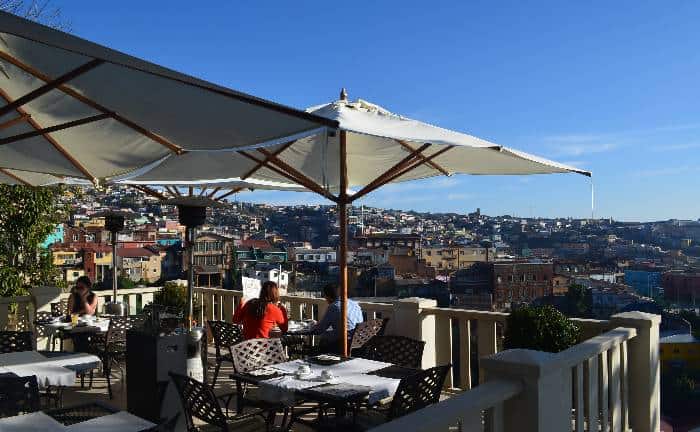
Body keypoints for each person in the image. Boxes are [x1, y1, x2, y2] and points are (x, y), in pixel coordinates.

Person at [311, 283, 364, 353]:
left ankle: (323, 362)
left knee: (323, 340)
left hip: (345, 342)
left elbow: (320, 329)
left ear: (328, 296)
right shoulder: (354, 303)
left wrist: (312, 326)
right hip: (359, 340)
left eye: (325, 296)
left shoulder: (334, 307)